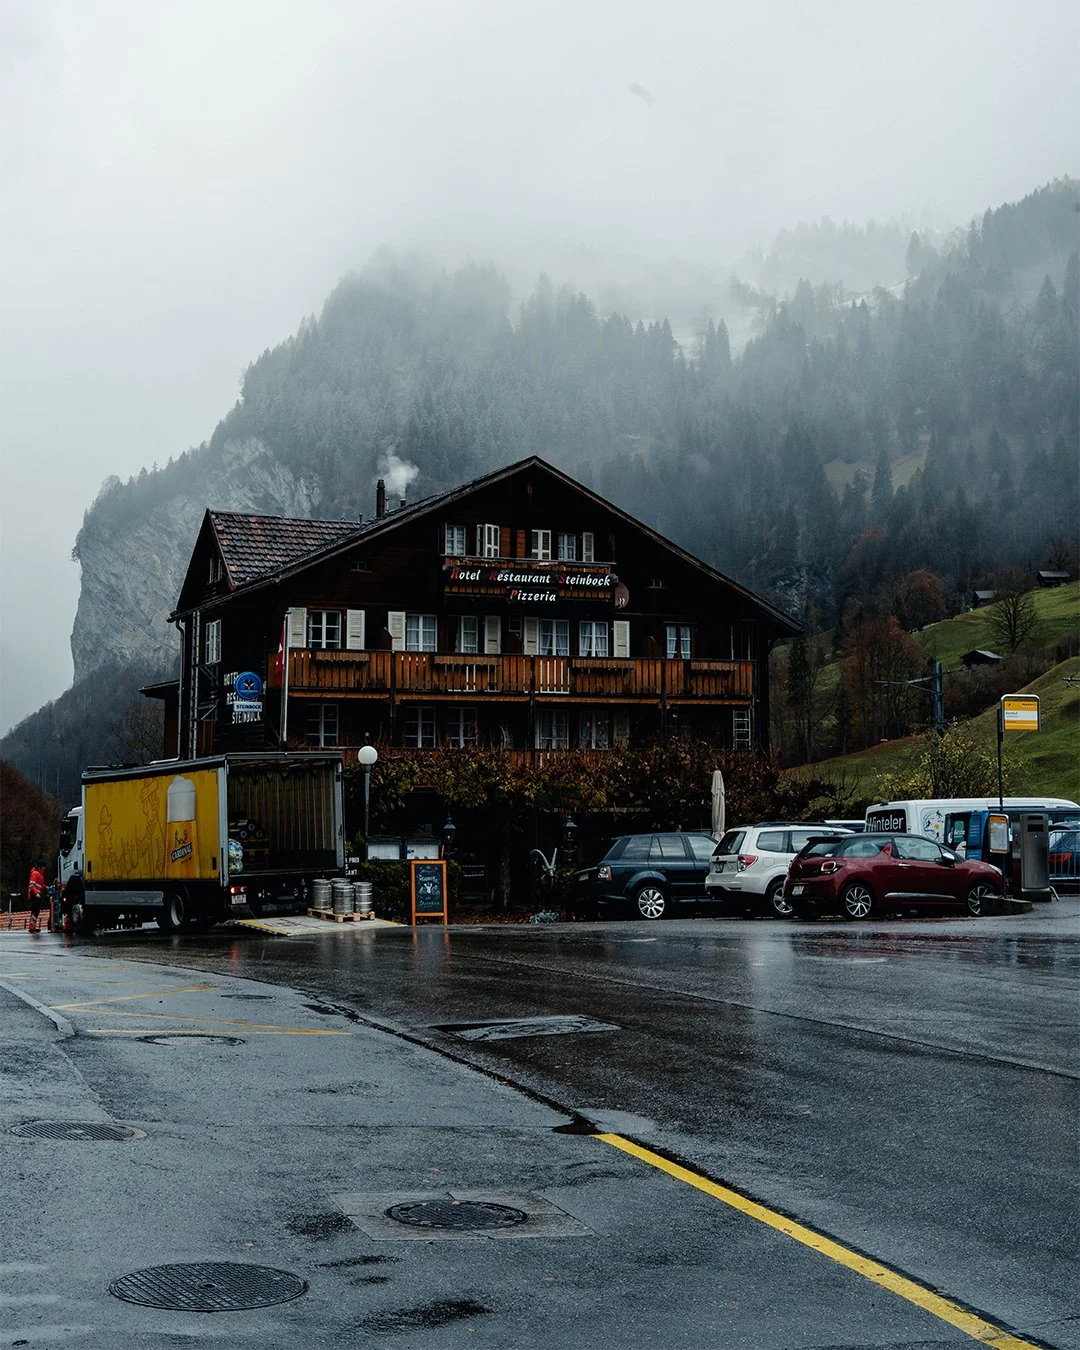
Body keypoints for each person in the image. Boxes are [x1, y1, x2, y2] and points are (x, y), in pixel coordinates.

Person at [27, 858, 46, 934]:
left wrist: (46, 887)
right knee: (35, 911)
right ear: (39, 867)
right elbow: (32, 885)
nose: (44, 869)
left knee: (35, 911)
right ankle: (32, 928)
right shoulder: (35, 873)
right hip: (35, 895)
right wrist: (36, 893)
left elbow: (40, 885)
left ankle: (32, 927)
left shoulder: (39, 874)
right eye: (43, 867)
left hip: (37, 895)